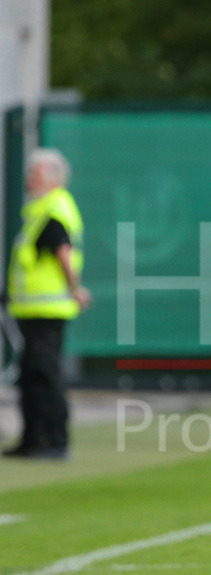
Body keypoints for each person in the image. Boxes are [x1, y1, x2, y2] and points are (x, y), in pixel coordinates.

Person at [2, 149, 92, 460]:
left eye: (35, 173)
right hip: (32, 308)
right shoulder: (40, 209)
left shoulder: (54, 208)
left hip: (48, 309)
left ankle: (55, 440)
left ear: (52, 177)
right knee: (30, 375)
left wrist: (75, 288)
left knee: (45, 374)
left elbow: (62, 252)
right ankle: (33, 439)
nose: (29, 179)